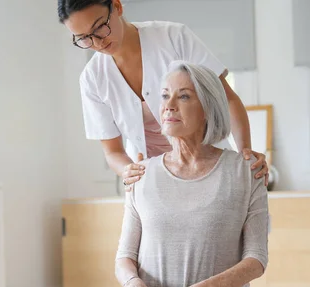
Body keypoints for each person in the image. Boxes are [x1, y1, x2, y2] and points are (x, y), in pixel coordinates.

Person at [109, 61, 268, 287]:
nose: (167, 106)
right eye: (165, 96)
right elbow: (125, 256)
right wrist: (133, 283)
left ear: (209, 107)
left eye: (183, 97)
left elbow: (256, 259)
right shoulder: (141, 175)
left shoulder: (245, 172)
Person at [58, 0, 269, 190]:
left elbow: (227, 98)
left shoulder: (173, 38)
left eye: (100, 28)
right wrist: (128, 170)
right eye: (84, 38)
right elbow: (113, 151)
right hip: (152, 178)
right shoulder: (92, 78)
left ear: (117, 7)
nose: (97, 43)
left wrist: (245, 155)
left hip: (208, 162)